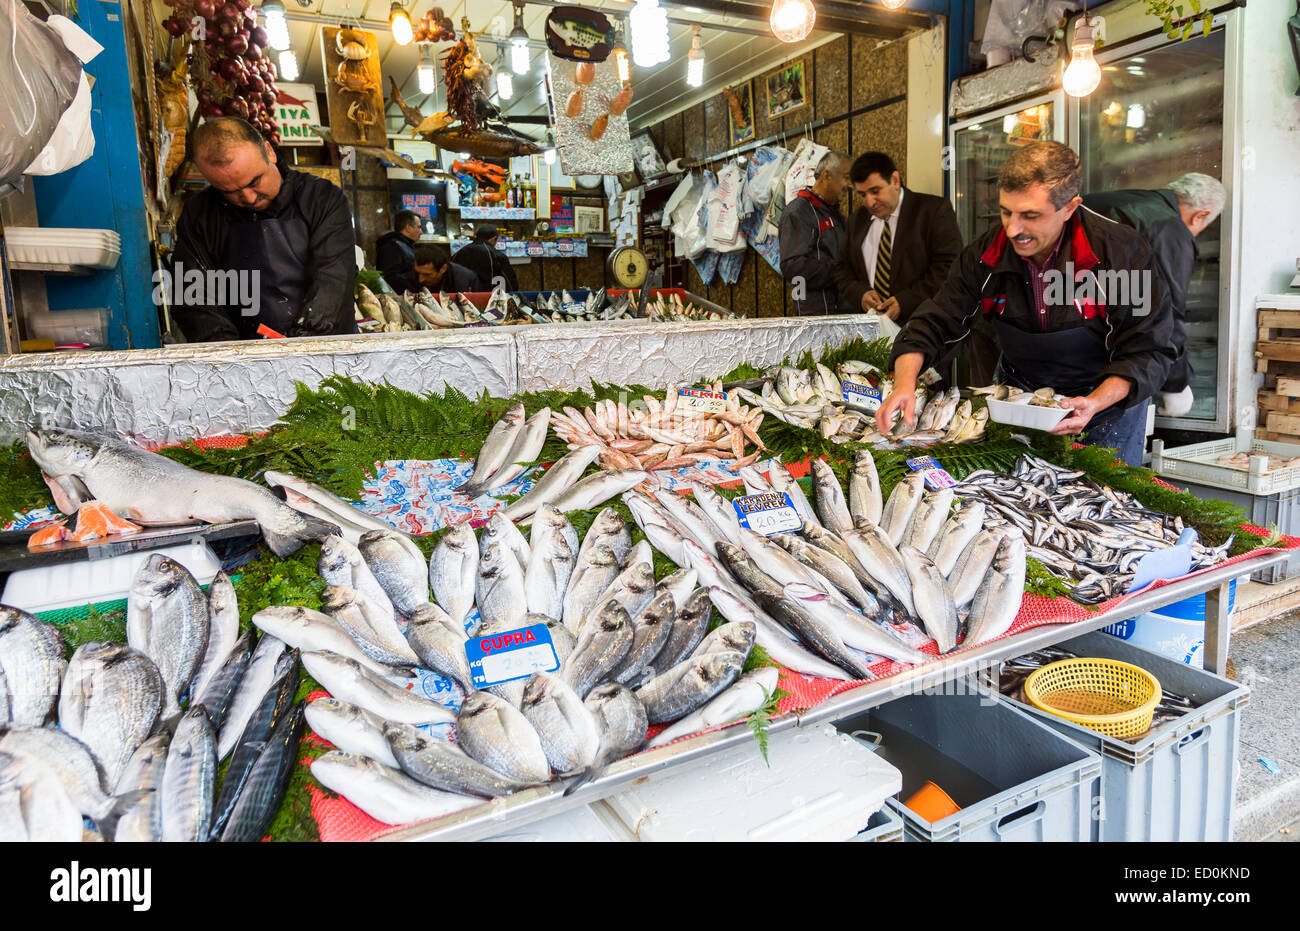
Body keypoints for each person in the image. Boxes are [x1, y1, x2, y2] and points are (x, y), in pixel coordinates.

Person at [876, 141, 1176, 466]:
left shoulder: (1122, 254)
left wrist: (1094, 402)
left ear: (1070, 208)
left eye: (1030, 215)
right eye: (1006, 212)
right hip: (1018, 395)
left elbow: (1148, 350)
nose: (1012, 229)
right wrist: (904, 384)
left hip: (1103, 403)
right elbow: (936, 319)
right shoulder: (986, 253)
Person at [171, 117, 357, 341]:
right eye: (230, 191)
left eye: (254, 181)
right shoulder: (199, 214)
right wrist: (233, 355)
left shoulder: (323, 198)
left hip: (320, 349)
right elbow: (193, 295)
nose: (249, 198)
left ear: (269, 151)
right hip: (244, 361)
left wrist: (295, 348)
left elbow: (334, 280)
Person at [1084, 172, 1225, 417]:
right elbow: (1168, 310)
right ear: (1200, 215)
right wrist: (1176, 384)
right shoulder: (1168, 228)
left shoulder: (1118, 202)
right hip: (1105, 361)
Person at [833, 151, 963, 327]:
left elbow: (949, 268)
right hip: (874, 332)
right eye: (863, 195)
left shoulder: (933, 211)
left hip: (924, 329)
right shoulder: (857, 220)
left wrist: (905, 301)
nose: (870, 202)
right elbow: (842, 269)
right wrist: (860, 294)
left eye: (875, 191)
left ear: (895, 180)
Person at [779, 150, 851, 315]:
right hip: (815, 317)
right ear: (827, 176)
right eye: (846, 177)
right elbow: (793, 267)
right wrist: (840, 271)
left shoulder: (836, 215)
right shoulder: (798, 212)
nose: (850, 185)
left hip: (842, 312)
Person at [452, 224, 518, 292]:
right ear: (493, 239)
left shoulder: (459, 253)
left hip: (463, 298)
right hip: (487, 298)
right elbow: (510, 283)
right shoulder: (497, 255)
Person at [375, 209, 424, 294]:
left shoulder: (403, 244)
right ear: (408, 227)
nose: (421, 232)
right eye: (419, 227)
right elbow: (390, 277)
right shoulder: (391, 246)